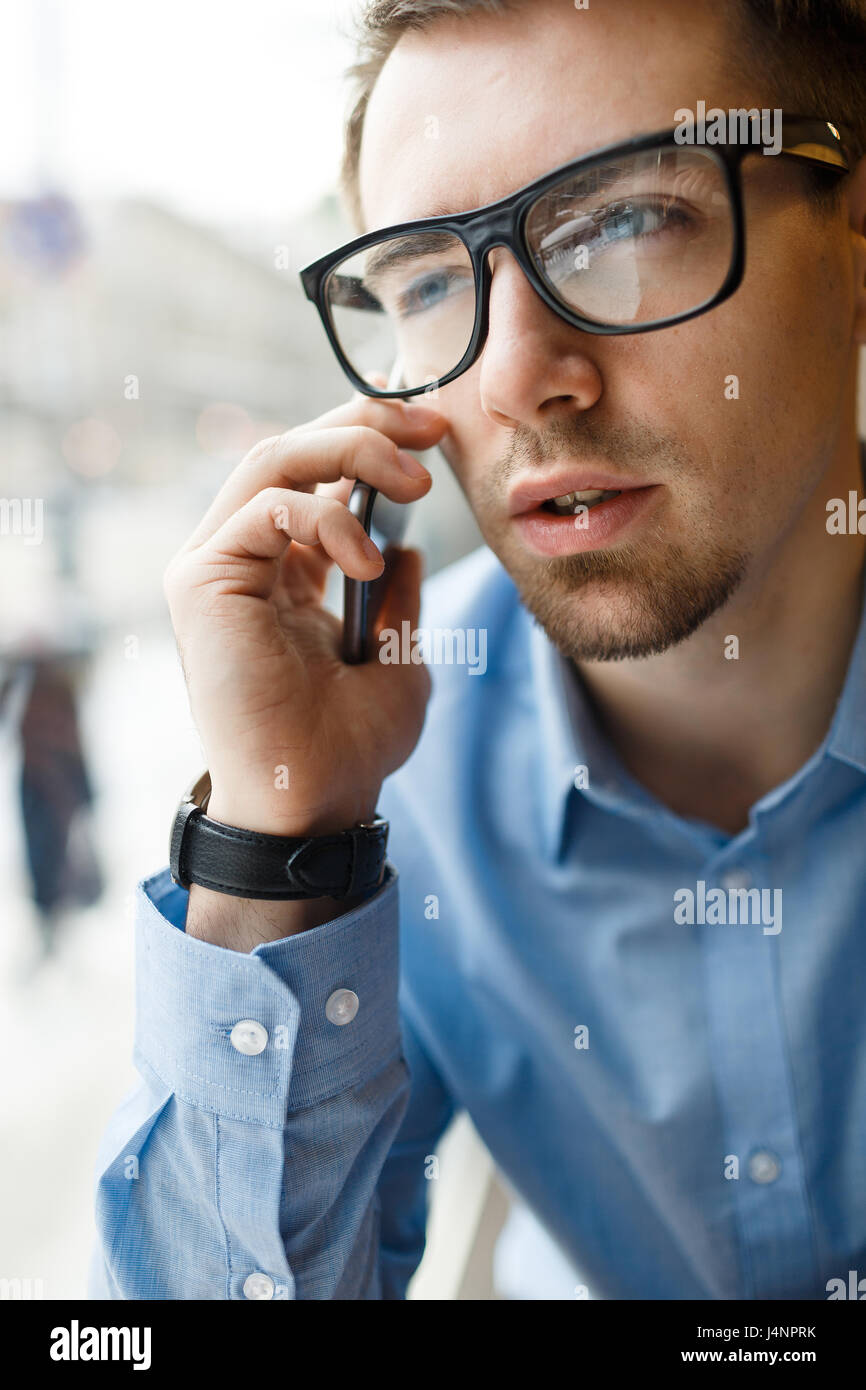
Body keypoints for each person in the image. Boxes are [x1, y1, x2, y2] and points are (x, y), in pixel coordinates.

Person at [90, 0, 866, 1300]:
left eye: (622, 220)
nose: (516, 376)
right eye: (434, 280)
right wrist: (283, 841)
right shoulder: (404, 771)